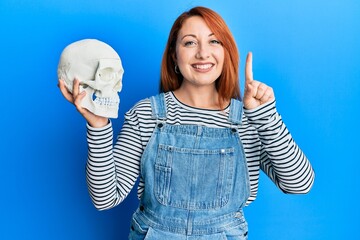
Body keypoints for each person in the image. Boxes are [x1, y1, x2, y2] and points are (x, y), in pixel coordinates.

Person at [59, 6, 314, 240]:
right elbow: (105, 198)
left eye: (214, 41)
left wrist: (265, 116)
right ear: (174, 55)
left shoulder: (249, 119)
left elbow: (299, 184)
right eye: (190, 42)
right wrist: (99, 126)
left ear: (225, 52)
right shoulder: (146, 114)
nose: (203, 52)